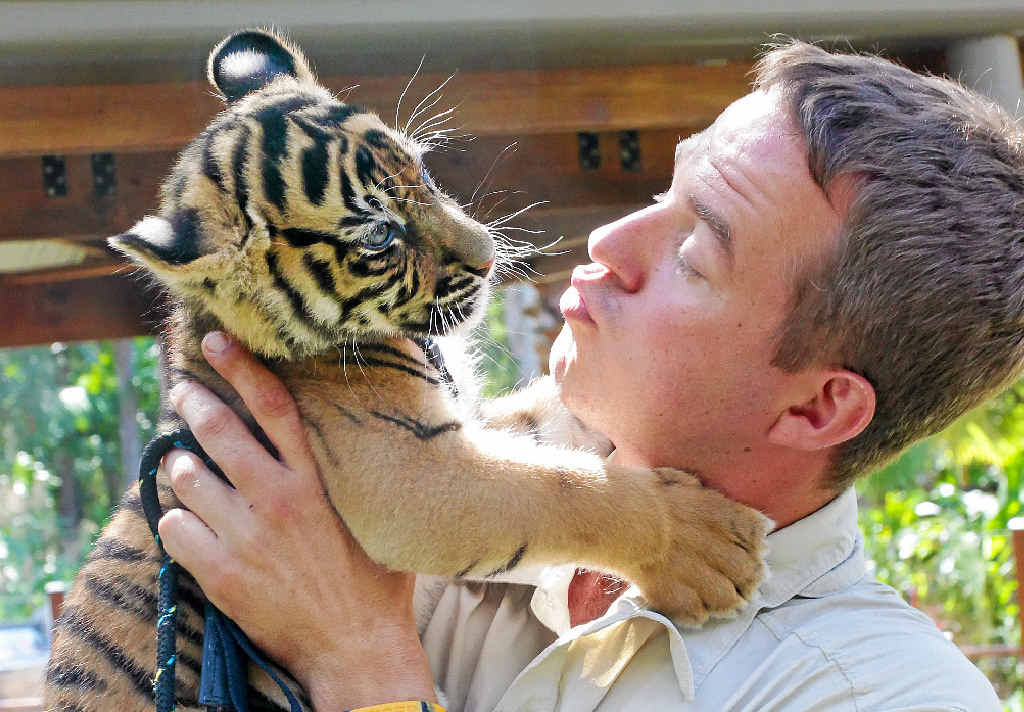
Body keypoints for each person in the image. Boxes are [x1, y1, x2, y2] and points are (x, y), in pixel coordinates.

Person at [156, 40, 1021, 711]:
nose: (609, 245)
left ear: (820, 404)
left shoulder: (877, 692)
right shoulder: (468, 471)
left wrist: (362, 663)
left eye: (694, 251)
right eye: (662, 192)